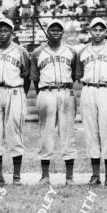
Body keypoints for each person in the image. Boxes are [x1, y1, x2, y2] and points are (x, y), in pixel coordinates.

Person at [75, 17, 107, 186]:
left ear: (106, 32)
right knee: (91, 132)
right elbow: (79, 73)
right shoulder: (82, 51)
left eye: (101, 29)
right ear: (89, 31)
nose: (98, 32)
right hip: (89, 89)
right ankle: (95, 175)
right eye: (95, 29)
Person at [30, 20, 80, 185]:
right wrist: (44, 93)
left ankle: (70, 177)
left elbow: (73, 75)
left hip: (66, 92)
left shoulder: (71, 51)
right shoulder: (37, 52)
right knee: (45, 135)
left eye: (59, 29)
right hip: (46, 92)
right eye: (53, 29)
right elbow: (35, 79)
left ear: (63, 32)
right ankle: (45, 176)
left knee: (68, 134)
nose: (56, 32)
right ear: (47, 32)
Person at [0, 18, 31, 186]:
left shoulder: (21, 51)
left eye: (6, 30)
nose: (3, 33)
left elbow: (26, 76)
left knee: (14, 132)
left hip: (15, 90)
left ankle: (17, 176)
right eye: (0, 30)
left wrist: (21, 94)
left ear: (12, 33)